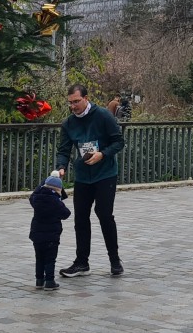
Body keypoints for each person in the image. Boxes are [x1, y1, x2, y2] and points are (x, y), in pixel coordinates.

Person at [54, 83, 126, 278]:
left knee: (104, 214)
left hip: (105, 173)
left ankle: (114, 260)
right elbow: (64, 150)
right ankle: (81, 263)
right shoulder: (68, 123)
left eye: (77, 101)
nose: (73, 106)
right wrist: (61, 167)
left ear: (86, 98)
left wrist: (102, 154)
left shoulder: (103, 115)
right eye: (70, 103)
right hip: (83, 176)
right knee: (81, 218)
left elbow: (119, 141)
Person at [29, 172, 70, 291]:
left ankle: (39, 280)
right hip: (51, 236)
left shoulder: (36, 199)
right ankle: (49, 281)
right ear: (58, 190)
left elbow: (33, 194)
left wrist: (44, 182)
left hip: (36, 235)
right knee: (50, 259)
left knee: (39, 258)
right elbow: (66, 214)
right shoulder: (56, 202)